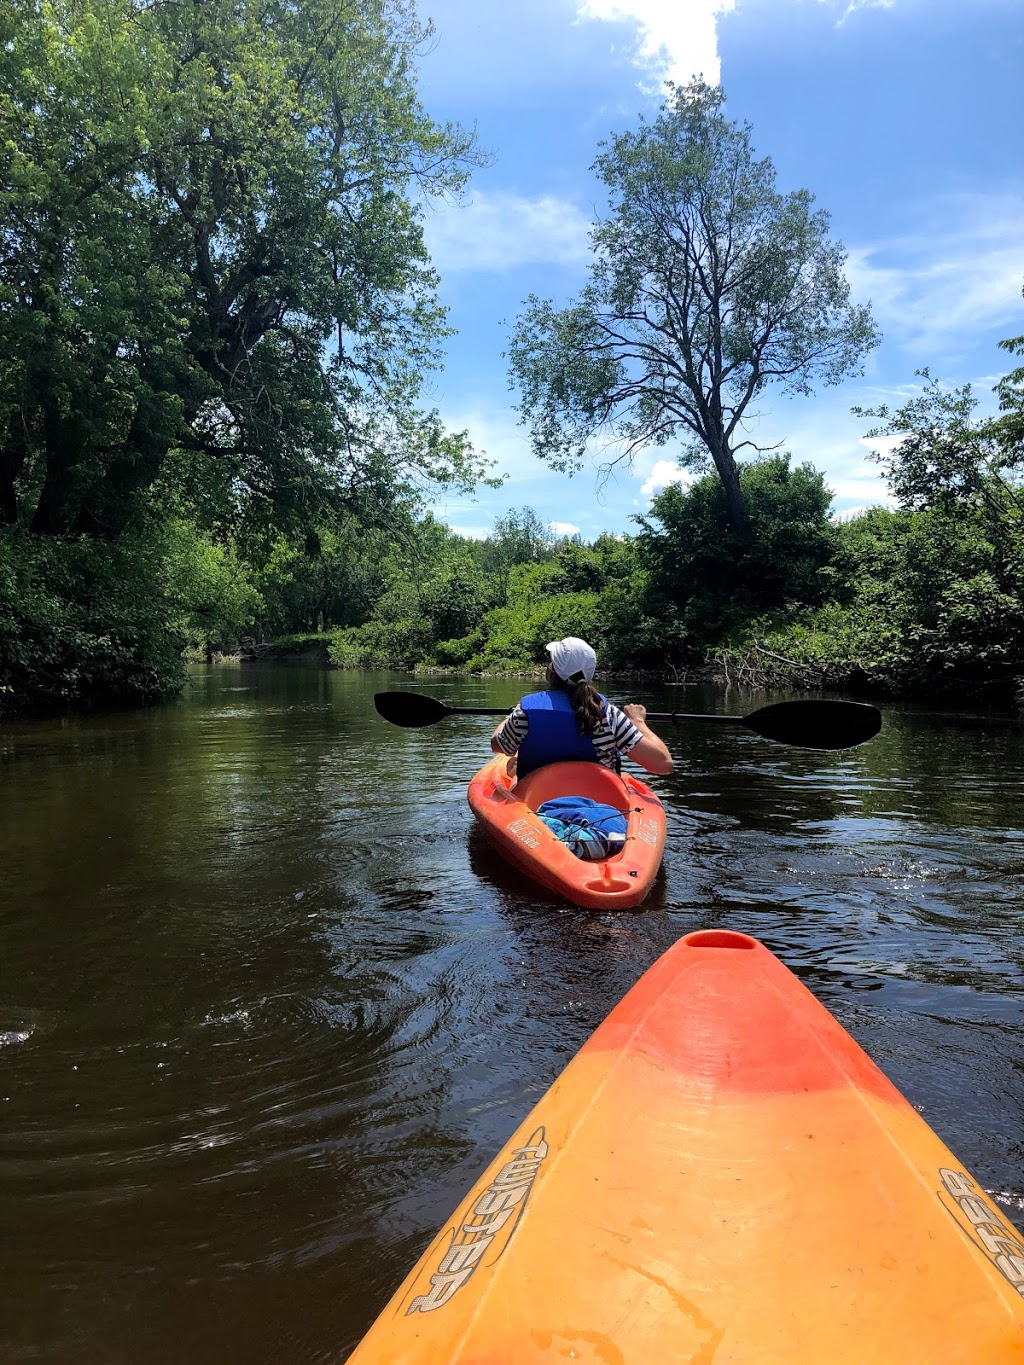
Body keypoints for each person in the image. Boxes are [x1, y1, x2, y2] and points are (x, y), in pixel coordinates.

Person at [490, 637, 674, 779]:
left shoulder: (525, 713)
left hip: (537, 800)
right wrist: (638, 722)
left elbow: (498, 745)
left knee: (512, 768)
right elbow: (664, 765)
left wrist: (512, 714)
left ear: (551, 671)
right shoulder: (610, 715)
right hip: (599, 802)